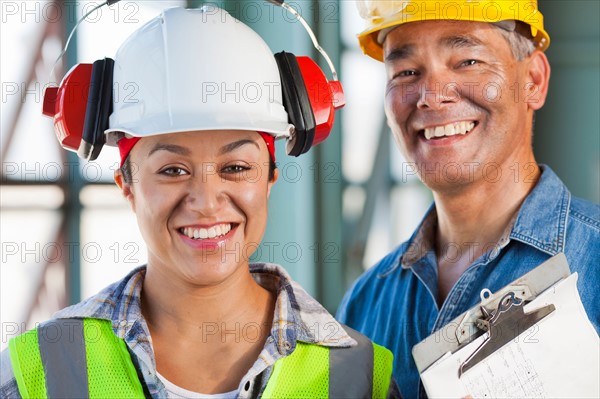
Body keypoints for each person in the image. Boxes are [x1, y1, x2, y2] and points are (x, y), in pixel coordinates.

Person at [0, 6, 398, 398]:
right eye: (173, 170)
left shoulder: (361, 376)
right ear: (127, 185)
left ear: (270, 178)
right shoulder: (40, 370)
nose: (207, 202)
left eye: (236, 167)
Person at [336, 1, 600, 398]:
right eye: (406, 72)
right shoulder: (365, 305)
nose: (430, 96)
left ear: (534, 80)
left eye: (467, 61)